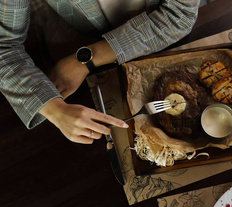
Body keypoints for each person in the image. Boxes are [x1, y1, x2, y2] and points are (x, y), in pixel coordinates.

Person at [0, 0, 201, 144]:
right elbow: (4, 47)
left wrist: (85, 59)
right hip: (89, 46)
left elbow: (179, 14)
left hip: (183, 34)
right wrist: (55, 110)